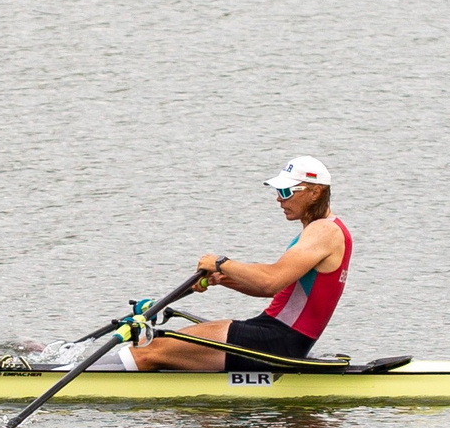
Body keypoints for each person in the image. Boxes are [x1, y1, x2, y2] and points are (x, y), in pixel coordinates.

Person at [124, 157, 352, 372]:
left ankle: (103, 385)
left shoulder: (324, 231)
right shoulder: (323, 231)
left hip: (276, 340)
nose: (279, 199)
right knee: (158, 345)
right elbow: (280, 290)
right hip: (275, 335)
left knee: (146, 351)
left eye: (286, 192)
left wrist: (221, 263)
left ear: (315, 192)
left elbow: (269, 282)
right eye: (278, 191)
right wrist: (223, 279)